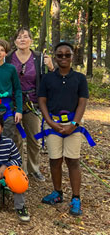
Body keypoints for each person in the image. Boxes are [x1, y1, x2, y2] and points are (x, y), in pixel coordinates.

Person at [38, 42, 89, 216]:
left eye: (67, 55)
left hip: (73, 125)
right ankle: (57, 192)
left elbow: (82, 102)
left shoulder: (80, 78)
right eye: (60, 55)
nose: (64, 58)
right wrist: (50, 122)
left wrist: (74, 124)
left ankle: (76, 197)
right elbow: (42, 100)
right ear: (55, 57)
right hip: (53, 124)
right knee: (55, 159)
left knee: (73, 160)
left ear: (72, 56)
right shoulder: (48, 78)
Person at [5, 27, 54, 182]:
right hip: (13, 103)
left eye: (25, 37)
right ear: (14, 41)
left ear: (31, 40)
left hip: (33, 102)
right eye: (19, 37)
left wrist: (51, 66)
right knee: (16, 138)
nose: (22, 39)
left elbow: (50, 79)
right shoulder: (9, 58)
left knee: (34, 138)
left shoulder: (39, 58)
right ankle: (20, 168)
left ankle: (34, 168)